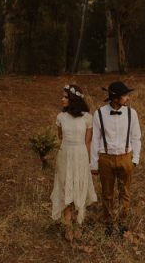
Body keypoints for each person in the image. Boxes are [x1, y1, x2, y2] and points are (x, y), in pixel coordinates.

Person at [90, 81, 142, 236]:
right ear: (114, 98)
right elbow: (95, 139)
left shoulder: (132, 114)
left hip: (126, 157)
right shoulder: (99, 114)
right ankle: (108, 222)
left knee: (124, 192)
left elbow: (136, 137)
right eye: (125, 95)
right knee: (107, 192)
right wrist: (93, 163)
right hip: (105, 158)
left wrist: (135, 159)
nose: (127, 98)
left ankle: (122, 221)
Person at [51, 84, 97, 241]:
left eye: (65, 97)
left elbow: (88, 142)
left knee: (79, 186)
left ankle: (79, 223)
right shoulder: (60, 117)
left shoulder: (87, 118)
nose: (62, 99)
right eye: (62, 96)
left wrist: (89, 161)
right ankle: (68, 226)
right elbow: (60, 137)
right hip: (65, 155)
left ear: (73, 99)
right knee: (65, 188)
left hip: (81, 155)